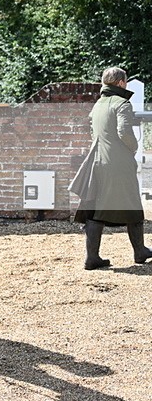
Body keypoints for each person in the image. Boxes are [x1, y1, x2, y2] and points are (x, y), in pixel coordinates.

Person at [70, 67, 152, 269]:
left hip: (97, 161)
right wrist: (133, 147)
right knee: (132, 204)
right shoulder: (122, 103)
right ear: (121, 83)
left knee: (95, 208)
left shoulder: (98, 104)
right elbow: (124, 132)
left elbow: (94, 132)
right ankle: (140, 251)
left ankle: (92, 257)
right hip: (118, 164)